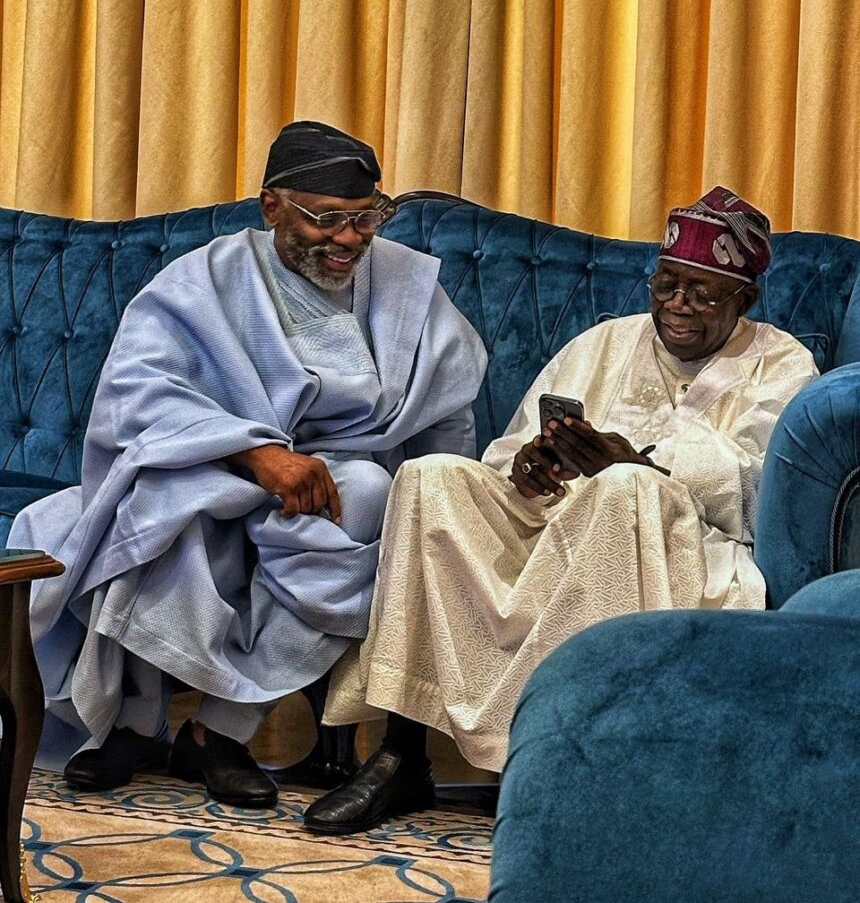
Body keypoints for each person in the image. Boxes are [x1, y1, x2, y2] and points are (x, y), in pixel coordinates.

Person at [304, 186, 819, 834]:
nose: (676, 305)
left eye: (700, 292)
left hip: (683, 554)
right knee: (428, 479)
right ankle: (401, 754)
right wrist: (527, 469)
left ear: (744, 298)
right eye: (666, 285)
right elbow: (511, 449)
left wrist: (638, 462)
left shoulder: (781, 362)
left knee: (624, 488)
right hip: (552, 525)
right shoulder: (606, 341)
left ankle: (569, 759)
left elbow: (763, 488)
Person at [10, 120, 487, 809]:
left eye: (364, 219)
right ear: (271, 207)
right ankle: (135, 722)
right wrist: (255, 453)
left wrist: (447, 507)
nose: (349, 239)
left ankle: (217, 732)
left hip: (343, 479)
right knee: (164, 502)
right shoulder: (209, 277)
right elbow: (136, 391)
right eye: (326, 219)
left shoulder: (408, 286)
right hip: (221, 461)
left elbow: (448, 415)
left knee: (371, 493)